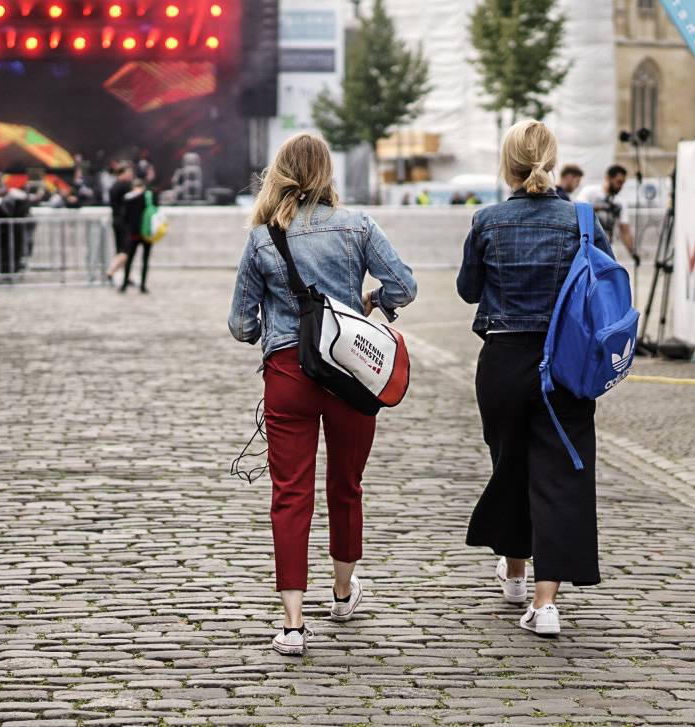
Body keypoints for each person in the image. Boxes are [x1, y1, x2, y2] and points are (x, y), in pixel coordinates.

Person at [228, 132, 417, 656]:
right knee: (346, 484)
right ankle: (341, 592)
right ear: (326, 172)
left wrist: (272, 329)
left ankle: (292, 624)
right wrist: (367, 301)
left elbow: (241, 324)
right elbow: (404, 286)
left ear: (279, 173)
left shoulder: (263, 237)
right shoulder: (358, 225)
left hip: (288, 373)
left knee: (290, 493)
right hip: (349, 372)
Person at [456, 120, 610, 638]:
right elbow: (606, 282)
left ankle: (516, 574)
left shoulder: (487, 220)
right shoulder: (581, 220)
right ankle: (544, 604)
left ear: (509, 165)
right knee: (561, 475)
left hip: (503, 362)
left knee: (510, 465)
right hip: (567, 362)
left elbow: (467, 289)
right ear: (552, 159)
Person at [577, 165, 635, 259]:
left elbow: (624, 230)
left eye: (623, 183)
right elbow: (579, 210)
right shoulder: (589, 192)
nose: (620, 186)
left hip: (608, 248)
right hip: (588, 247)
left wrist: (632, 252)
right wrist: (604, 207)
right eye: (618, 182)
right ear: (608, 178)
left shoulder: (620, 202)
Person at [118, 179, 152, 293]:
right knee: (145, 259)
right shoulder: (148, 197)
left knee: (130, 259)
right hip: (147, 232)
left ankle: (124, 284)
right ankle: (143, 285)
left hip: (134, 233)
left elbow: (124, 217)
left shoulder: (128, 198)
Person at [105, 163, 136, 284]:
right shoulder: (124, 187)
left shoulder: (113, 187)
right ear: (122, 173)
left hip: (116, 221)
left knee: (120, 250)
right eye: (129, 173)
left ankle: (127, 276)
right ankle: (110, 271)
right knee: (126, 251)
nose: (131, 176)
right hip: (124, 223)